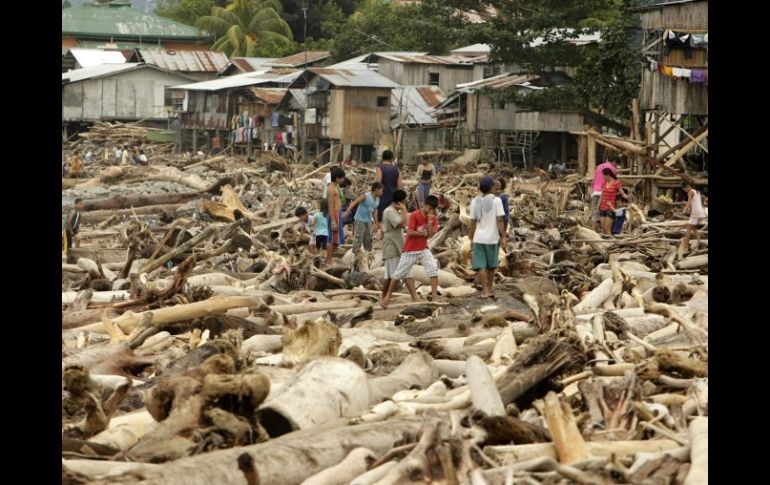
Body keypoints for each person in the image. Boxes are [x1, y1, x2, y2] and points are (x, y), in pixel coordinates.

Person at [380, 195, 440, 308]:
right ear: (425, 205)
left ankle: (434, 295)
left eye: (433, 209)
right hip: (410, 249)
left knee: (433, 269)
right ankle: (387, 297)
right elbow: (410, 232)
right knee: (398, 274)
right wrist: (423, 234)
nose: (431, 211)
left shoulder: (433, 218)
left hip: (423, 248)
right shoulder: (415, 215)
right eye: (430, 208)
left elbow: (431, 235)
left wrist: (431, 223)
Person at [469, 176, 506, 299]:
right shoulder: (497, 201)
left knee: (481, 265)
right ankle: (489, 289)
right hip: (492, 238)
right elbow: (500, 220)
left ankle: (484, 290)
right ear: (491, 187)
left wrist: (470, 238)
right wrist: (503, 236)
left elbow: (472, 222)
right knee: (491, 265)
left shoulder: (475, 201)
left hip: (479, 238)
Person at [380, 189, 408, 299]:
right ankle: (384, 297)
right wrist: (404, 210)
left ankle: (386, 297)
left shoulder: (394, 211)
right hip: (391, 245)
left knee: (391, 274)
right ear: (400, 201)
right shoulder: (389, 211)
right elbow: (402, 224)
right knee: (390, 274)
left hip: (396, 244)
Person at [345, 182, 384, 253]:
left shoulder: (377, 199)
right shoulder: (366, 196)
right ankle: (355, 253)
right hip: (360, 219)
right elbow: (355, 202)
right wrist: (348, 210)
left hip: (368, 220)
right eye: (381, 190)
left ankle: (368, 253)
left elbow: (374, 211)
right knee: (359, 237)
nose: (382, 192)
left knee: (368, 238)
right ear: (376, 190)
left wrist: (376, 223)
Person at [325, 167, 347, 266]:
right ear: (337, 178)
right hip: (334, 213)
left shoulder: (336, 187)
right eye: (342, 178)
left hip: (338, 212)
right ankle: (328, 259)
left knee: (336, 240)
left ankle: (328, 257)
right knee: (331, 237)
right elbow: (330, 205)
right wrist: (333, 220)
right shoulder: (331, 188)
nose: (343, 180)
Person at [591, 155, 619, 230]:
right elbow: (614, 183)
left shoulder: (598, 166)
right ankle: (606, 230)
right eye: (617, 164)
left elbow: (593, 181)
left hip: (596, 192)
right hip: (606, 194)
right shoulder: (613, 169)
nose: (616, 166)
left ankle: (593, 232)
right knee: (607, 212)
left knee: (595, 212)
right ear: (614, 162)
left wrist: (592, 190)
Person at [598, 168, 628, 235]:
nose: (602, 177)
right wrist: (598, 206)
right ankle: (606, 243)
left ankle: (610, 243)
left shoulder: (616, 183)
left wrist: (629, 197)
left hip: (611, 209)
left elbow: (623, 194)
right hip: (602, 208)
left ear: (608, 175)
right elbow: (601, 196)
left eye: (603, 175)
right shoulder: (604, 183)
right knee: (603, 228)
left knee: (607, 228)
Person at [375, 150, 403, 222]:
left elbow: (377, 184)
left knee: (381, 221)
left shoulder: (380, 168)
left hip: (383, 198)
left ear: (382, 158)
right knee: (392, 220)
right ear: (392, 158)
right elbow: (399, 186)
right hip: (393, 198)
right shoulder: (396, 169)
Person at [681, 181, 706, 251]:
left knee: (688, 229)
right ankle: (699, 242)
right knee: (694, 228)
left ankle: (685, 247)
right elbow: (696, 203)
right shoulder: (697, 192)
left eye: (684, 189)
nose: (685, 191)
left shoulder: (690, 192)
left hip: (696, 213)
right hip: (701, 212)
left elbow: (689, 202)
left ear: (687, 186)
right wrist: (689, 209)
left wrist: (684, 210)